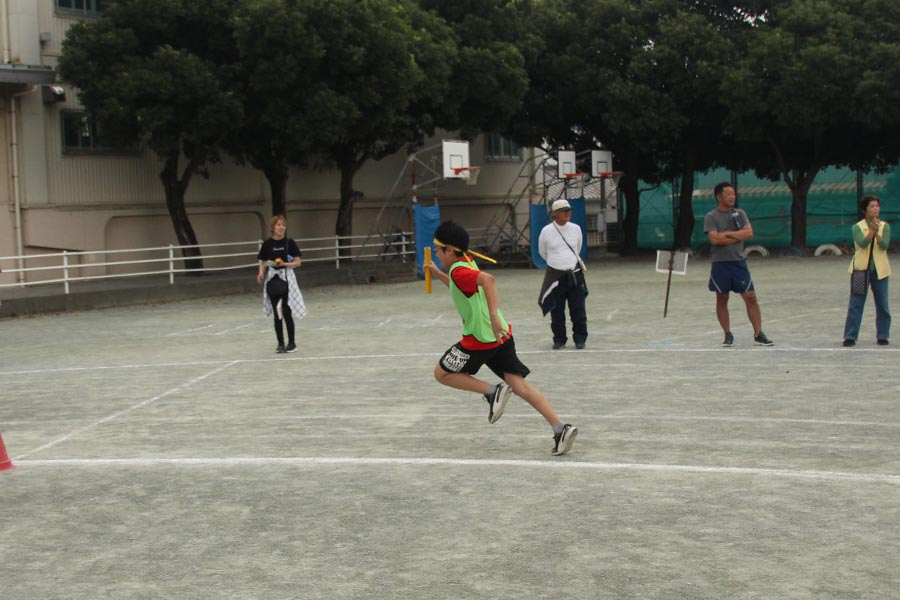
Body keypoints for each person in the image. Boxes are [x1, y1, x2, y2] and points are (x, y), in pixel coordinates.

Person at [425, 220, 578, 456]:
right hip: (501, 336)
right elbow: (461, 287)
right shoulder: (465, 264)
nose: (436, 254)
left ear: (448, 250)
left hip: (480, 339)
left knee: (441, 373)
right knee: (519, 386)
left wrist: (494, 316)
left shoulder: (459, 269)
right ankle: (560, 428)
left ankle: (490, 392)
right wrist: (437, 274)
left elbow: (488, 280)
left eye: (438, 250)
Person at [704, 182, 774, 347]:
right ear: (718, 197)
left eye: (733, 194)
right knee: (722, 298)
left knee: (751, 297)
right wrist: (737, 235)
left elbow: (748, 233)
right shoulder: (711, 217)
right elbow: (715, 239)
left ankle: (758, 333)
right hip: (720, 263)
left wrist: (727, 234)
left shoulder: (740, 213)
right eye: (728, 194)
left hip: (738, 262)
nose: (732, 197)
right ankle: (727, 333)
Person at [537, 198, 588, 349]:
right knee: (556, 309)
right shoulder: (546, 231)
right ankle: (559, 339)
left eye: (569, 210)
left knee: (578, 308)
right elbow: (542, 252)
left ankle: (580, 338)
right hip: (555, 275)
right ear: (555, 213)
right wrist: (557, 264)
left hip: (574, 273)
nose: (567, 213)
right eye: (563, 211)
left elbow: (577, 248)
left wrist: (568, 262)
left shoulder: (576, 229)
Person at [842, 195, 891, 347]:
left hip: (880, 270)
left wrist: (877, 233)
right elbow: (862, 243)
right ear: (865, 210)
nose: (876, 209)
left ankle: (883, 335)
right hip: (860, 270)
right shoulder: (857, 227)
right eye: (872, 206)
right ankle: (850, 336)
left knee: (882, 304)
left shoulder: (885, 226)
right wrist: (871, 231)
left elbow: (884, 246)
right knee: (856, 304)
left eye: (877, 206)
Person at [256, 215, 307, 353]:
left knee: (286, 311)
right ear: (272, 228)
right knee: (277, 313)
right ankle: (280, 344)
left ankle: (292, 343)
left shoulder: (289, 243)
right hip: (273, 280)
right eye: (278, 225)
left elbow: (298, 262)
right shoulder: (267, 244)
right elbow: (263, 261)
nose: (281, 227)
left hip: (287, 279)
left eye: (283, 225)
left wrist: (285, 264)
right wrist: (261, 272)